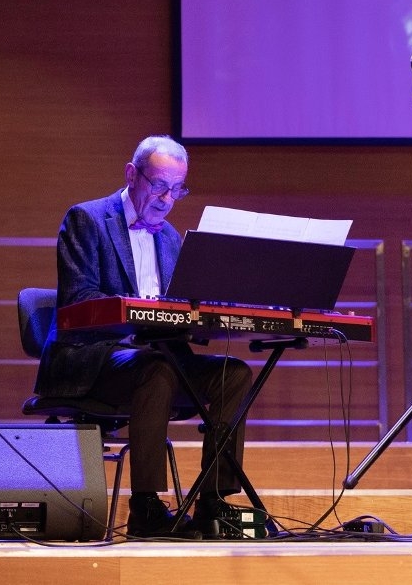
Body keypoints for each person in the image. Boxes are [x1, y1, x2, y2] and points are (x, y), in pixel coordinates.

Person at [34, 135, 255, 539]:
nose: (167, 200)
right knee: (157, 369)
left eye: (177, 190)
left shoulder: (169, 236)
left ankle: (213, 501)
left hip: (156, 359)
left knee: (235, 373)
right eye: (159, 186)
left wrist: (206, 313)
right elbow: (79, 300)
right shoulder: (86, 220)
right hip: (93, 357)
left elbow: (179, 311)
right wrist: (142, 312)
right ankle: (146, 506)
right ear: (131, 175)